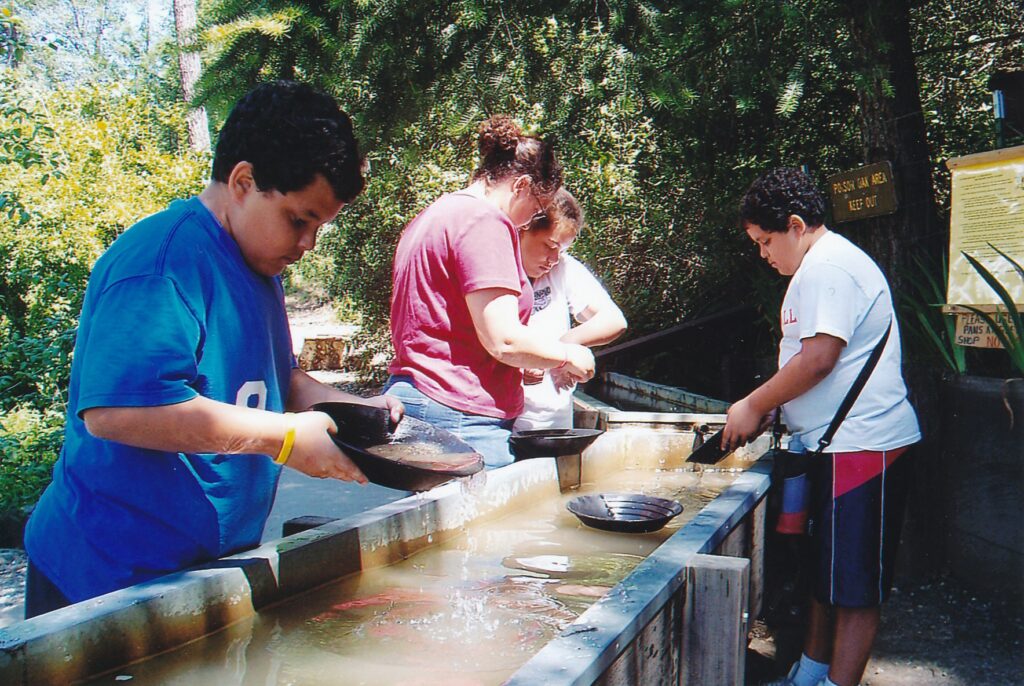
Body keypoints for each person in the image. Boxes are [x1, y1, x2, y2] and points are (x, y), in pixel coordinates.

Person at [23, 81, 403, 618]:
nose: (307, 244)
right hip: (104, 580)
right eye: (299, 220)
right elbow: (116, 412)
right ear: (244, 181)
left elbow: (275, 379)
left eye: (320, 226)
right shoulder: (162, 262)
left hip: (197, 572)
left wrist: (348, 407)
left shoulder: (258, 265)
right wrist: (287, 438)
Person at [721, 167, 920, 686]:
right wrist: (775, 407)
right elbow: (807, 366)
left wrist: (750, 403)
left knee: (854, 587)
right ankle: (808, 672)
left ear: (794, 225)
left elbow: (819, 360)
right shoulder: (813, 270)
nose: (764, 255)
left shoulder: (831, 267)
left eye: (766, 242)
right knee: (822, 574)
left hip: (865, 445)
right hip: (832, 446)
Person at [387, 115, 595, 468]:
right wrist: (567, 355)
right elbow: (505, 341)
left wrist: (525, 364)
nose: (529, 221)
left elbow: (449, 327)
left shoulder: (435, 215)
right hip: (461, 415)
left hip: (419, 399)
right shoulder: (485, 221)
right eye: (536, 208)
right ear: (521, 187)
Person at [514, 188, 627, 431]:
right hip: (501, 420)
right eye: (549, 245)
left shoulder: (563, 268)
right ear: (523, 230)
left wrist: (559, 350)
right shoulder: (493, 270)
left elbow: (614, 320)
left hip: (551, 420)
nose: (554, 257)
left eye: (562, 249)